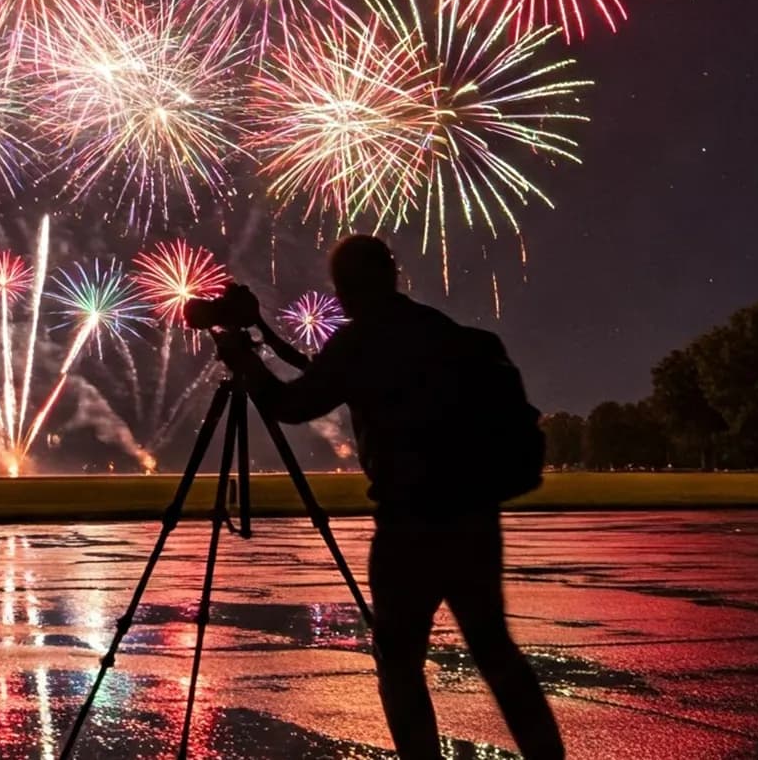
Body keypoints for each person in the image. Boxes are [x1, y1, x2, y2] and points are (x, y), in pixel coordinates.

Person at [213, 234, 565, 760]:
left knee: (399, 661)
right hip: (473, 518)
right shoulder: (443, 333)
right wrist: (263, 330)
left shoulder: (361, 343)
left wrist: (247, 362)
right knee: (495, 651)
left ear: (347, 287)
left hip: (409, 527)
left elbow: (293, 404)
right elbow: (324, 371)